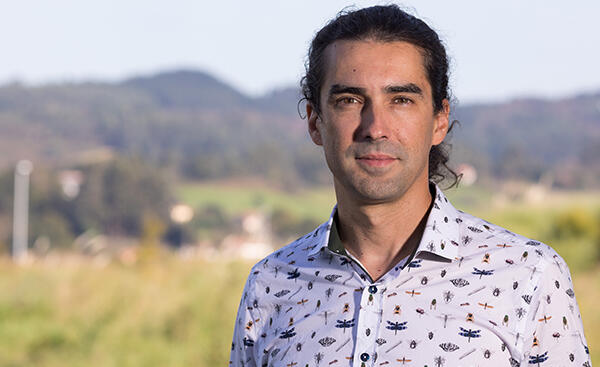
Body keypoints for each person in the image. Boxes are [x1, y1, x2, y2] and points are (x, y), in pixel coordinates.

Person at [230, 5, 591, 367]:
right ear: (314, 122)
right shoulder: (271, 284)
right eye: (349, 100)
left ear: (439, 120)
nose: (375, 127)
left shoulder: (527, 275)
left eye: (401, 100)